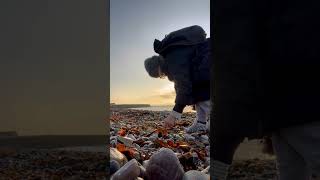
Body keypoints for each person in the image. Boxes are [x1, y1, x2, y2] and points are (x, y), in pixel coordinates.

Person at [212, 0, 320, 179]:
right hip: (287, 104)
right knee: (291, 170)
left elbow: (234, 56)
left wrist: (220, 144)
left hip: (292, 101)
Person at [144, 25, 211, 133]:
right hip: (205, 63)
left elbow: (183, 85)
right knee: (195, 88)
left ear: (158, 68)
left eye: (160, 75)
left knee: (199, 87)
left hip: (209, 64)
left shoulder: (173, 58)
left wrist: (174, 114)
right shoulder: (171, 56)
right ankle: (200, 123)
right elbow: (180, 85)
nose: (163, 77)